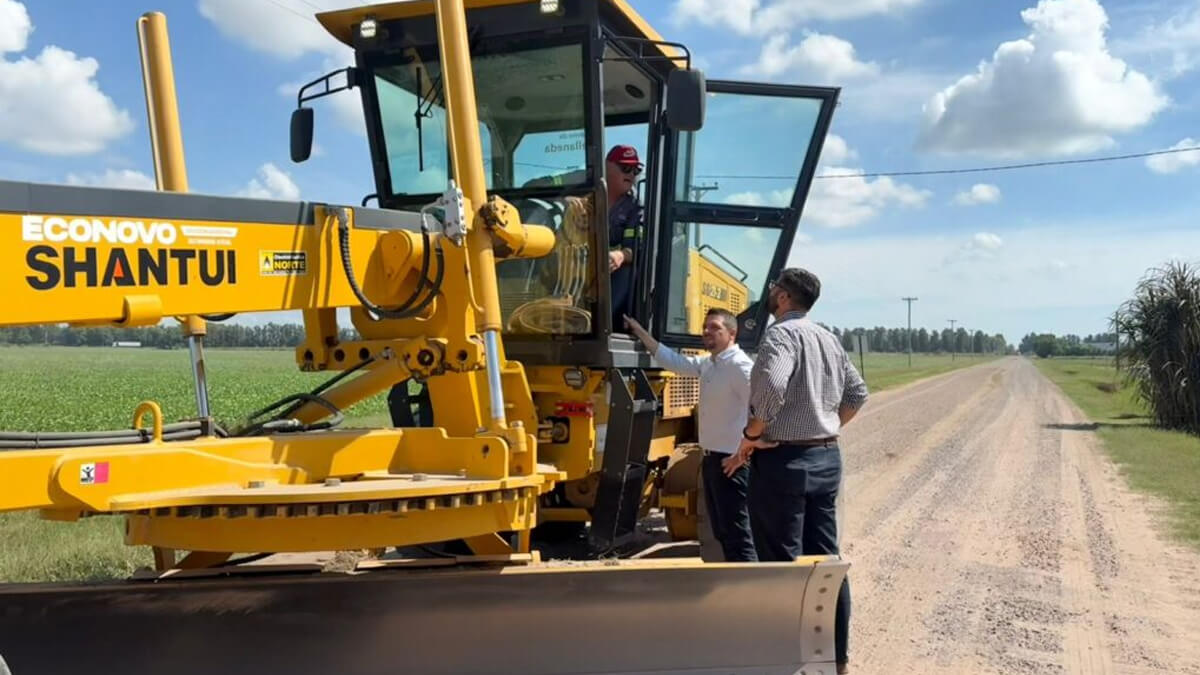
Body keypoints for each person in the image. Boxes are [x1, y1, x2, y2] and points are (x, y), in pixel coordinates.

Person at [723, 267, 867, 675]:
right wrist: (829, 424)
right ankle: (836, 659)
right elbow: (858, 393)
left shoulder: (781, 335)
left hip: (784, 462)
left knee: (781, 562)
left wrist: (752, 434)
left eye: (773, 290)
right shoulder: (828, 337)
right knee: (826, 562)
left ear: (784, 297)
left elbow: (770, 388)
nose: (770, 295)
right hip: (826, 458)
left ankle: (786, 660)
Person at [624, 309, 757, 562]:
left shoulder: (740, 367)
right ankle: (733, 586)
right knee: (722, 531)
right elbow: (671, 360)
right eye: (705, 327)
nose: (707, 332)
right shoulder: (709, 364)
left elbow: (762, 411)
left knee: (738, 532)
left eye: (715, 328)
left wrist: (743, 453)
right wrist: (640, 332)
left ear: (732, 333)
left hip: (733, 464)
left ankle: (749, 590)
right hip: (711, 460)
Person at [605, 145, 643, 329]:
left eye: (636, 170)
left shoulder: (635, 208)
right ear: (606, 166)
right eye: (625, 168)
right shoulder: (585, 193)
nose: (631, 174)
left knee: (628, 271)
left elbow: (636, 247)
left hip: (609, 271)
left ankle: (604, 324)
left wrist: (620, 255)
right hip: (576, 264)